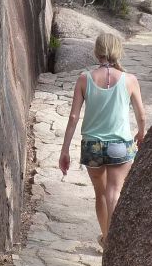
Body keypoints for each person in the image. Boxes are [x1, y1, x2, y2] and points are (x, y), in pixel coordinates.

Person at [58, 32, 146, 247]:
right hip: (119, 145)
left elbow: (73, 117)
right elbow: (141, 115)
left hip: (92, 146)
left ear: (97, 52)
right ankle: (115, 246)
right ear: (118, 51)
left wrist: (65, 150)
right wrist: (142, 133)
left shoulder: (84, 79)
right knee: (114, 193)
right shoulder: (130, 80)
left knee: (100, 195)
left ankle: (107, 239)